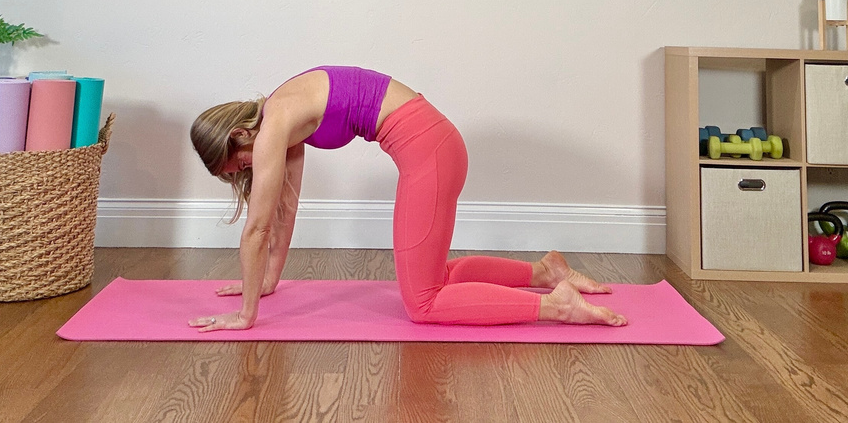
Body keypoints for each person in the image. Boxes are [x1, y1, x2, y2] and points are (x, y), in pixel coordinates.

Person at [187, 66, 627, 331]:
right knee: (438, 275)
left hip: (430, 154)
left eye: (240, 163)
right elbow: (283, 209)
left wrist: (245, 316)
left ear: (239, 134)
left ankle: (555, 306)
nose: (249, 169)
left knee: (423, 303)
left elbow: (258, 228)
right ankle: (545, 271)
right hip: (438, 146)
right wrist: (265, 283)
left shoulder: (273, 125)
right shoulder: (283, 113)